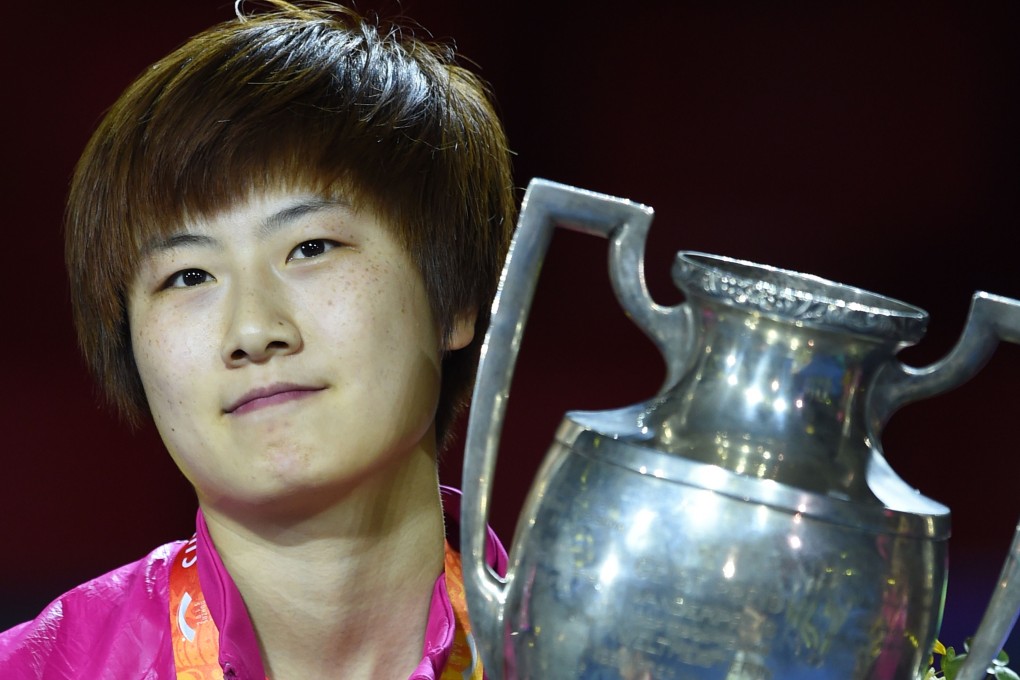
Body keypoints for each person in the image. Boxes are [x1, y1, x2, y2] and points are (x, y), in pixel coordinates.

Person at [0, 1, 514, 678]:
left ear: (455, 303)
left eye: (310, 247)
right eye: (187, 275)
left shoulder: (617, 654)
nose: (252, 332)